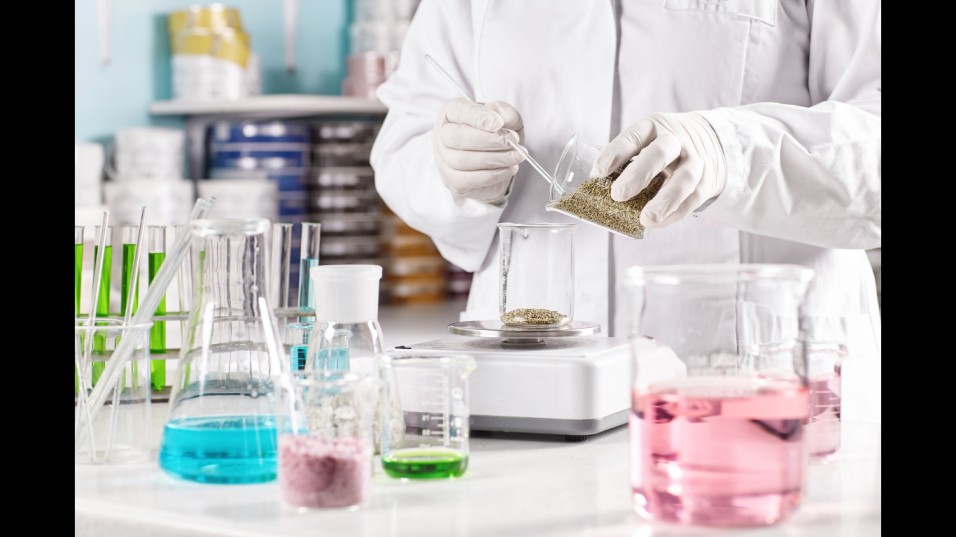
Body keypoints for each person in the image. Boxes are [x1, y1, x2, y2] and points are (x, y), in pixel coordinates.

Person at [370, 1, 881, 423]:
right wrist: (456, 170)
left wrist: (730, 151)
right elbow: (408, 138)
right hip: (530, 392)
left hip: (763, 382)